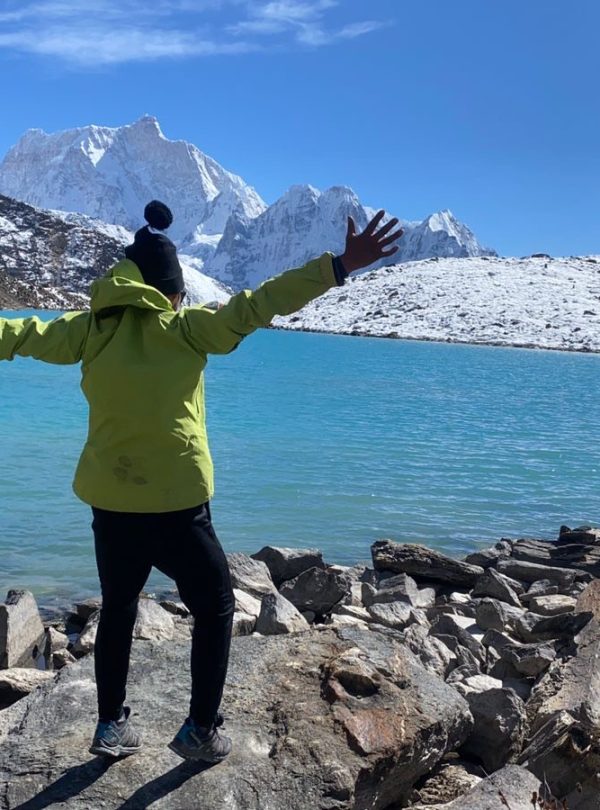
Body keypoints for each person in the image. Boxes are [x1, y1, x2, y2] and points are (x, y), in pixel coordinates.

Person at [0, 201, 403, 763]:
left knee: (119, 606)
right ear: (172, 292)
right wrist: (338, 266)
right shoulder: (188, 329)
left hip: (111, 502)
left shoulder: (89, 330)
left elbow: (17, 332)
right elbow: (261, 302)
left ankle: (110, 726)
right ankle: (200, 730)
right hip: (177, 504)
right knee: (214, 606)